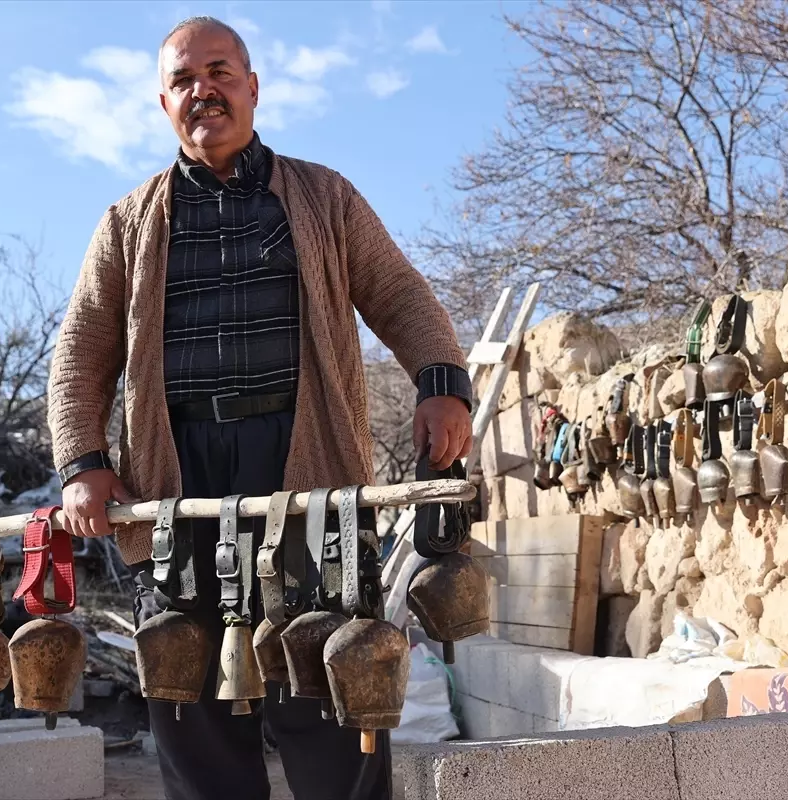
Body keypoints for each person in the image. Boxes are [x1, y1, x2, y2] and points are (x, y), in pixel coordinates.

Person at [47, 15, 473, 800]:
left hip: (307, 479)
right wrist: (82, 464)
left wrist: (442, 383)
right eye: (183, 80)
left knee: (332, 701)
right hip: (176, 491)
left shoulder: (324, 196)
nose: (202, 90)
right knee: (195, 718)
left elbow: (400, 292)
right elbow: (79, 353)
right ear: (164, 103)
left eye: (219, 72)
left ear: (252, 87)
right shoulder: (126, 223)